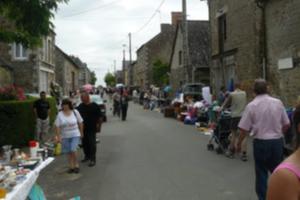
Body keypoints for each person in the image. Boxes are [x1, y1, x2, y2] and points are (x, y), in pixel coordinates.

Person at [236, 79, 290, 200]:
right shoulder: (278, 102)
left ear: (254, 91)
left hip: (260, 142)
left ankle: (263, 198)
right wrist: (280, 133)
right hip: (276, 142)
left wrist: (238, 143)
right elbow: (287, 123)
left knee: (261, 174)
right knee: (278, 172)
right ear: (268, 89)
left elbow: (244, 129)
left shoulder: (251, 106)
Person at [267, 105, 300, 200]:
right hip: (276, 140)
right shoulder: (286, 177)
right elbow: (287, 124)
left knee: (261, 172)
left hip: (265, 141)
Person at [55, 99, 83, 174]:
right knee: (68, 152)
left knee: (73, 149)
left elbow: (80, 122)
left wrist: (81, 133)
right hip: (65, 135)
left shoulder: (75, 112)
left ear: (69, 105)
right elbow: (57, 126)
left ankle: (76, 165)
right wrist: (58, 137)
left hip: (75, 134)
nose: (65, 106)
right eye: (63, 105)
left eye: (66, 104)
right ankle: (71, 166)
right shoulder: (60, 114)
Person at [221, 83, 248, 161]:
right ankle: (244, 154)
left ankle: (231, 151)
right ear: (240, 86)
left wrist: (221, 108)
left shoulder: (232, 94)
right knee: (244, 135)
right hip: (243, 116)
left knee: (234, 134)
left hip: (235, 116)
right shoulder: (244, 93)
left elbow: (226, 104)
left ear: (235, 87)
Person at [77, 92, 102, 167]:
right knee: (85, 144)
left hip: (92, 128)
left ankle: (92, 159)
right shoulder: (80, 106)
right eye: (81, 98)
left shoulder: (95, 106)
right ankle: (87, 156)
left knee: (92, 144)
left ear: (87, 97)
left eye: (83, 98)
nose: (82, 99)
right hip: (83, 128)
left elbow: (100, 117)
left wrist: (99, 126)